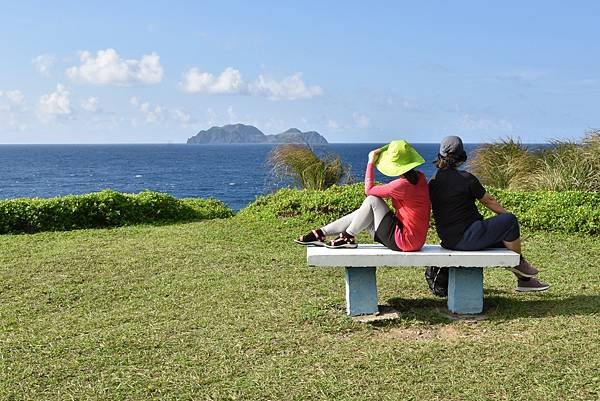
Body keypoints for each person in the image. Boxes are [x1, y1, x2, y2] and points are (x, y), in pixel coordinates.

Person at [428, 135, 550, 292]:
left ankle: (524, 281)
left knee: (502, 242)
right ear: (460, 157)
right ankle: (518, 261)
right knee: (510, 222)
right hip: (467, 237)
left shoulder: (433, 181)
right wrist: (507, 219)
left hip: (448, 239)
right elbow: (489, 201)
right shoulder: (466, 178)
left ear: (441, 155)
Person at [295, 140, 430, 251]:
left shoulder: (401, 186)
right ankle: (321, 233)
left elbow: (369, 190)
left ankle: (348, 236)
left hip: (404, 240)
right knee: (364, 211)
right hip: (415, 239)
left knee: (372, 200)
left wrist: (370, 162)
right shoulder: (421, 178)